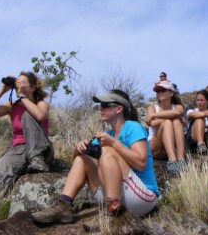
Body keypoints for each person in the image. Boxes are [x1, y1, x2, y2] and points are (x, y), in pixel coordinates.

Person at [31, 89, 159, 225]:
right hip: (113, 196)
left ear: (119, 108)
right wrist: (78, 149)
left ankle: (112, 213)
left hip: (142, 198)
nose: (100, 108)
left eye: (105, 105)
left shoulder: (133, 127)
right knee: (82, 157)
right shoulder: (106, 134)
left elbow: (141, 163)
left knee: (108, 151)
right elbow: (77, 161)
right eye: (100, 105)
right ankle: (64, 205)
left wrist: (113, 143)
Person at [0, 71, 54, 191]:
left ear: (33, 87)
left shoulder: (41, 104)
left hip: (41, 149)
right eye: (17, 82)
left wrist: (23, 98)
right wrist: (3, 90)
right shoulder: (13, 106)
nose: (18, 85)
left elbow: (40, 116)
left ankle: (37, 159)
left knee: (27, 114)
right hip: (18, 149)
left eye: (22, 83)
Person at [146, 80, 186, 173]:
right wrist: (170, 117)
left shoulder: (177, 106)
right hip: (156, 147)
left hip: (172, 146)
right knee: (169, 121)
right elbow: (153, 124)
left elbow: (177, 112)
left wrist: (154, 116)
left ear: (171, 93)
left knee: (176, 121)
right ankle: (172, 160)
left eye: (163, 90)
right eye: (158, 91)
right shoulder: (152, 108)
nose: (160, 92)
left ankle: (181, 159)